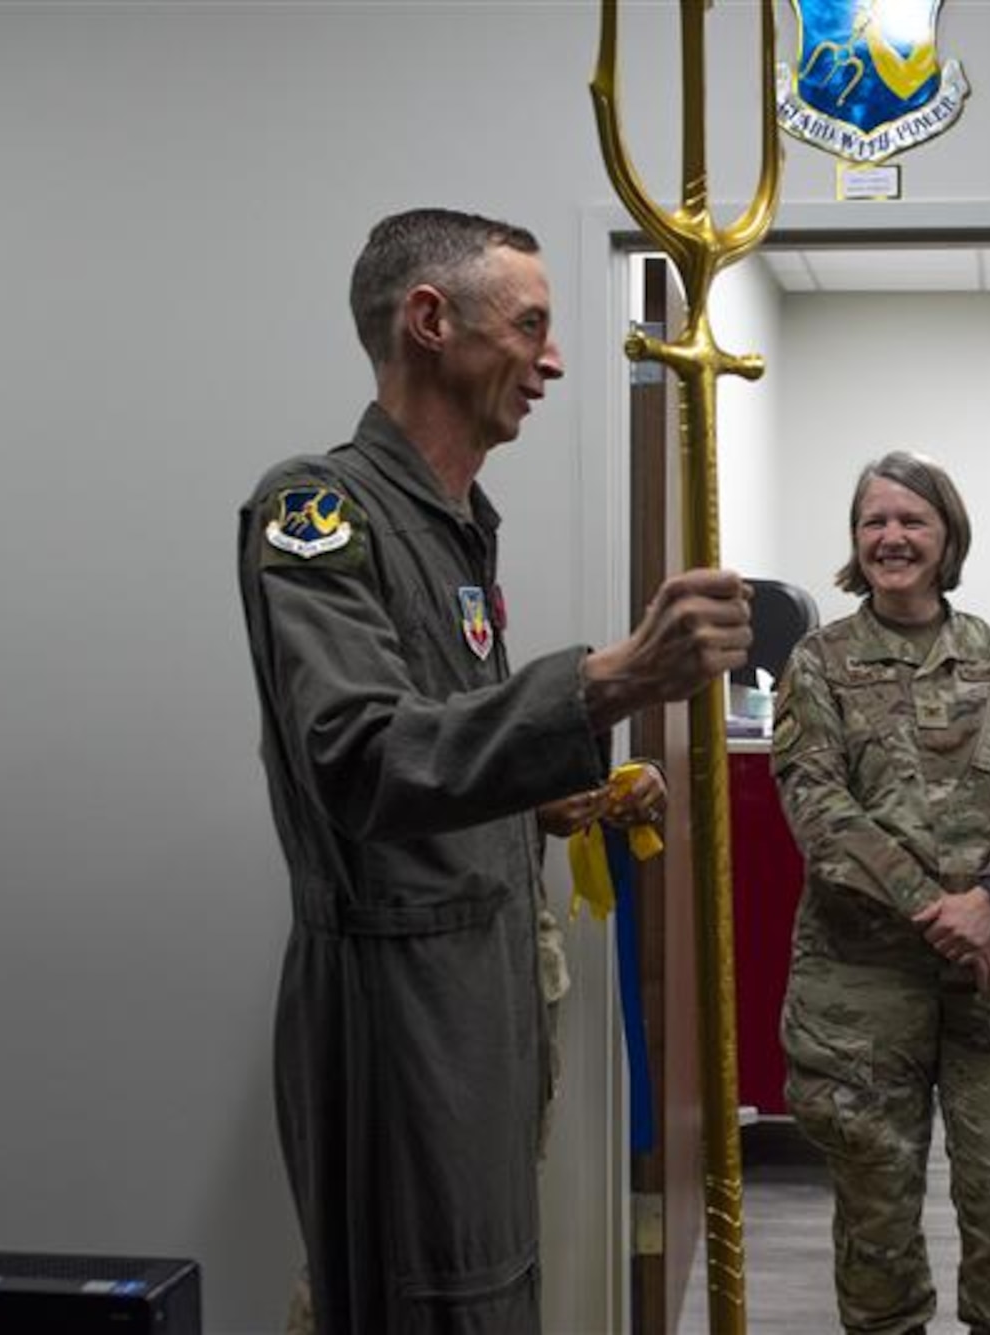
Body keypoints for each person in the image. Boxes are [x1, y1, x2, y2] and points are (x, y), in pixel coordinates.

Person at [237, 207, 750, 1335]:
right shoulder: (316, 512)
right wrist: (602, 685)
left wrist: (550, 791)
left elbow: (441, 745)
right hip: (400, 1003)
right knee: (430, 1302)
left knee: (485, 1289)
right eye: (530, 325)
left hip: (489, 978)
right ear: (430, 320)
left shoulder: (455, 523)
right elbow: (360, 757)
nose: (554, 359)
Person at [771, 451, 990, 1335]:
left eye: (912, 520)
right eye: (875, 521)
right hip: (861, 980)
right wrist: (936, 910)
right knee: (876, 1208)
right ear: (855, 539)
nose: (892, 537)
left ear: (948, 538)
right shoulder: (819, 663)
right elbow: (818, 806)